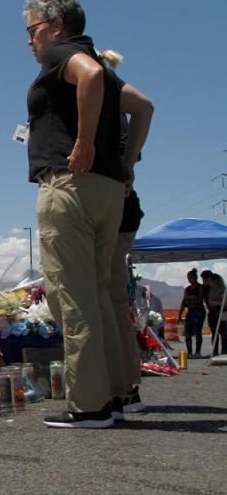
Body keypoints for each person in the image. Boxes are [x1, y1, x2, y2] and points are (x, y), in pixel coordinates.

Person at [23, 0, 146, 429]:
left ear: (56, 26)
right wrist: (127, 162)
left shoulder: (64, 54)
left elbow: (89, 75)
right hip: (107, 191)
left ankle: (89, 405)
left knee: (70, 297)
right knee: (97, 295)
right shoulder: (107, 69)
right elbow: (144, 107)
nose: (30, 41)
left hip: (69, 185)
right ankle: (115, 393)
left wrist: (84, 142)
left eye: (33, 30)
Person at [100, 49, 153, 415]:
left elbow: (146, 106)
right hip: (124, 209)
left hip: (113, 208)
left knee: (109, 298)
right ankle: (124, 385)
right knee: (113, 297)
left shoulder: (105, 102)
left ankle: (122, 388)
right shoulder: (117, 118)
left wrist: (123, 170)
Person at [178, 269, 206, 358]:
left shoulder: (200, 287)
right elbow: (184, 302)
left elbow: (199, 299)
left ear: (194, 277)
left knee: (198, 332)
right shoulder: (187, 289)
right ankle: (189, 353)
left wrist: (191, 300)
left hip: (199, 311)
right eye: (188, 278)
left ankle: (197, 352)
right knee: (188, 333)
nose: (188, 279)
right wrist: (180, 314)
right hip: (190, 312)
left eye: (190, 277)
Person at [201, 269, 226, 356]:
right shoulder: (208, 289)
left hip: (222, 312)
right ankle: (215, 352)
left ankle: (224, 351)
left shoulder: (222, 289)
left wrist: (214, 302)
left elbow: (224, 302)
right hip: (212, 313)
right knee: (214, 333)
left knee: (223, 333)